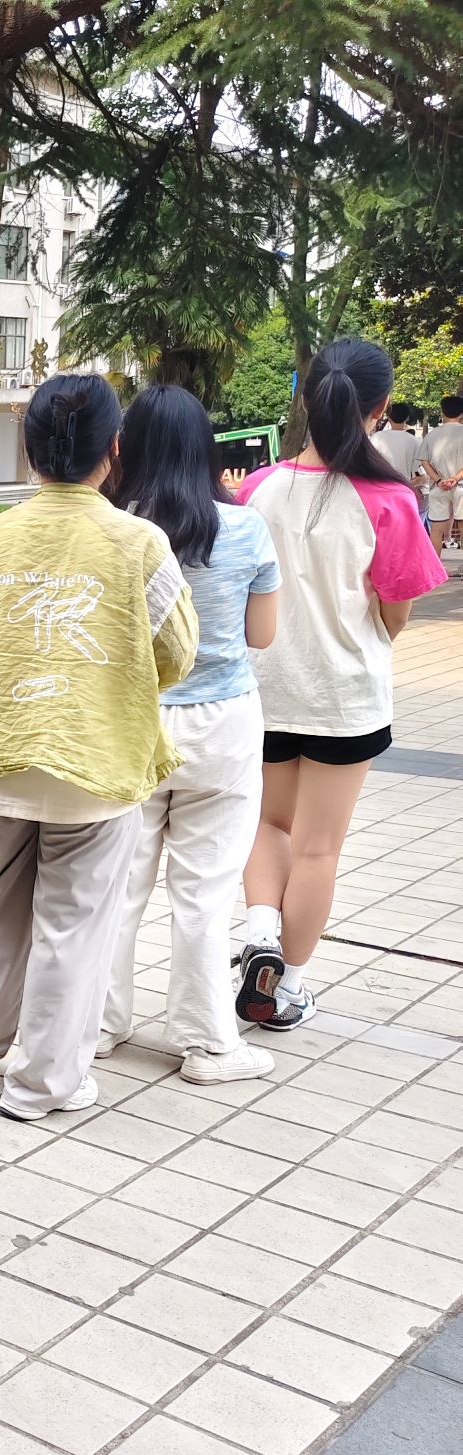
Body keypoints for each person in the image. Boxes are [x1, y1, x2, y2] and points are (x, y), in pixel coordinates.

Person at [0, 373, 199, 1120]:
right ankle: (43, 1083)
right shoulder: (137, 543)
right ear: (113, 448)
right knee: (73, 922)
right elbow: (177, 653)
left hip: (2, 750)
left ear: (29, 452)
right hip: (95, 759)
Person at [236, 339, 447, 1027]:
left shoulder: (258, 488)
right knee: (318, 847)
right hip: (345, 696)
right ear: (379, 408)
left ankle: (259, 934)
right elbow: (397, 611)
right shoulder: (388, 499)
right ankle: (287, 987)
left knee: (267, 824)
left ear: (307, 398)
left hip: (264, 689)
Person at [99, 385, 280, 1083]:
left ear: (128, 447)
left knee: (118, 886)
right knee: (205, 892)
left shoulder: (115, 527)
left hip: (132, 720)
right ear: (207, 447)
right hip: (224, 723)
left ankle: (98, 1025)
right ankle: (208, 1043)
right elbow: (261, 635)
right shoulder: (246, 528)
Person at [422, 395, 463, 551]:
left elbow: (424, 461)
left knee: (437, 529)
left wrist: (439, 481)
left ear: (442, 412)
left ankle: (436, 565)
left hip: (438, 487)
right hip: (460, 486)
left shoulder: (432, 435)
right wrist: (455, 479)